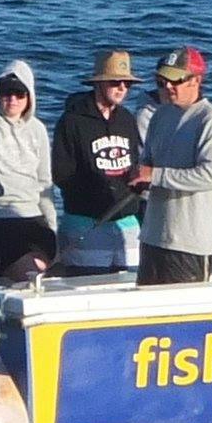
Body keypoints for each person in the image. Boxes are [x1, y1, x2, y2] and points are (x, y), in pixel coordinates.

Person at [135, 46, 212, 286]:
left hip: (190, 244)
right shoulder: (159, 116)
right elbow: (148, 164)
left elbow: (208, 176)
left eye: (175, 80)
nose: (168, 86)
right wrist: (139, 178)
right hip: (153, 236)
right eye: (162, 81)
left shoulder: (211, 119)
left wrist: (154, 176)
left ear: (196, 80)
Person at [0, 60, 60, 282]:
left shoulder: (38, 129)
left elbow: (45, 183)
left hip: (34, 220)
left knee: (53, 274)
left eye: (19, 93)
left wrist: (53, 228)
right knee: (30, 276)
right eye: (6, 92)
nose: (12, 99)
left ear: (29, 95)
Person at [51, 51, 149, 276]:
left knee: (130, 284)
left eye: (127, 84)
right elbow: (61, 173)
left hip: (127, 222)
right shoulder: (72, 121)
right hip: (86, 221)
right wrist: (96, 192)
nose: (122, 88)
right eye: (115, 82)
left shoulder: (126, 119)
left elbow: (135, 163)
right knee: (87, 284)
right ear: (98, 83)